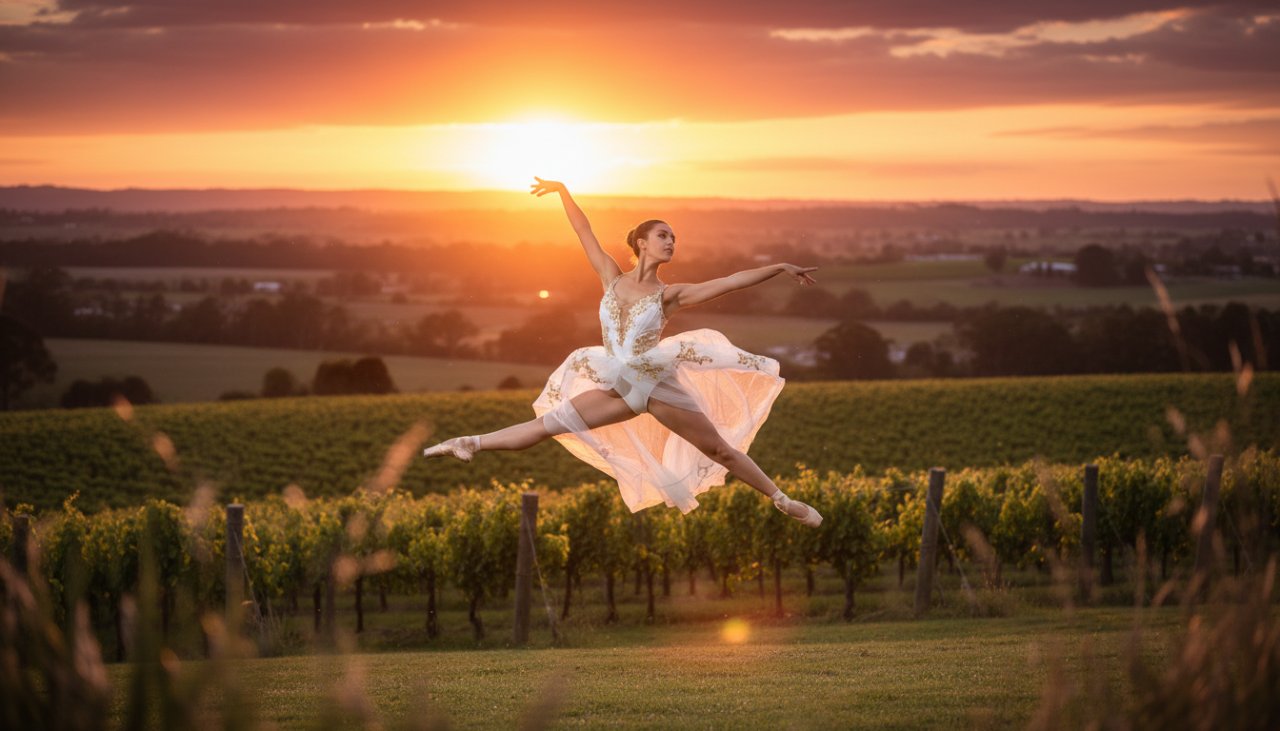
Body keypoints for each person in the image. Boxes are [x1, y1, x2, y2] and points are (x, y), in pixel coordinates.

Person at [423, 176, 822, 527]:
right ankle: (469, 442)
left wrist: (779, 267)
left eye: (674, 238)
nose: (671, 243)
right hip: (618, 385)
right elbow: (584, 231)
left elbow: (730, 281)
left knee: (719, 450)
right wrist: (563, 191)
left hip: (655, 386)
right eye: (664, 235)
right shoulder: (610, 277)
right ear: (641, 243)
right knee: (545, 426)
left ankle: (782, 500)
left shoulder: (669, 295)